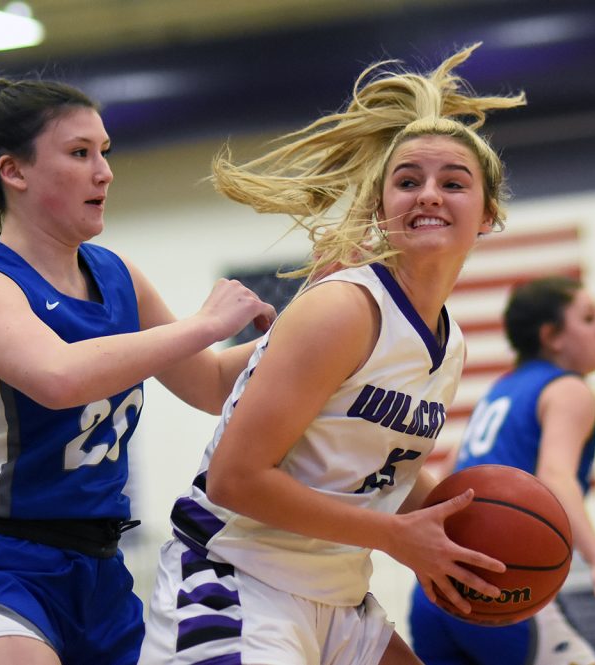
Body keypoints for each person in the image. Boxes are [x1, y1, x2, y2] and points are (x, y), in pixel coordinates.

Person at [138, 44, 526, 665]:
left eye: (453, 183)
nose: (428, 194)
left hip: (339, 598)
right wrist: (398, 539)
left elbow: (383, 467)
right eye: (407, 181)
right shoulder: (343, 310)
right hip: (239, 583)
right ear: (380, 208)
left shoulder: (448, 345)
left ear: (488, 215)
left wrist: (459, 532)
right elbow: (235, 479)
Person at [0, 71, 276, 665]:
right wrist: (203, 323)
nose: (105, 171)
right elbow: (60, 378)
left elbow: (211, 383)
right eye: (79, 153)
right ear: (13, 171)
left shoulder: (118, 274)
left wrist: (315, 328)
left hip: (98, 572)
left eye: (105, 152)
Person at [408, 276, 595, 664]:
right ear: (553, 336)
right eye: (589, 318)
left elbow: (447, 478)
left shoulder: (501, 390)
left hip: (433, 589)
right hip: (500, 582)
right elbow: (556, 477)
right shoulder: (569, 390)